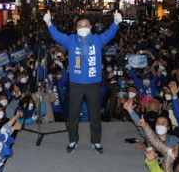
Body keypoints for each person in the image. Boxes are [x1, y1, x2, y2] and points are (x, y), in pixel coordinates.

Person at [43, 10, 122, 154]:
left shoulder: (98, 39)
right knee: (73, 115)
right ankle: (73, 140)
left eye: (86, 25)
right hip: (76, 85)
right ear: (76, 27)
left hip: (93, 84)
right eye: (80, 25)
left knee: (94, 115)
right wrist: (49, 23)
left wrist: (116, 23)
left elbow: (109, 34)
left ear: (90, 27)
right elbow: (57, 36)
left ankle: (96, 141)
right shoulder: (71, 40)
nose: (83, 27)